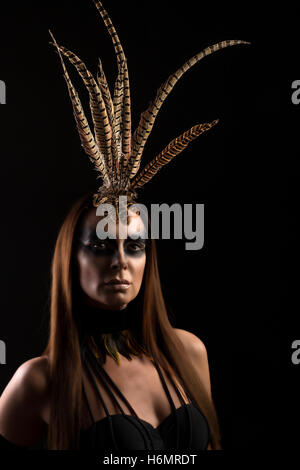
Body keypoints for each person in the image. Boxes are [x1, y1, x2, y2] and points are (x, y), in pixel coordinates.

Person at [0, 0, 249, 451]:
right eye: (100, 246)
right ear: (70, 259)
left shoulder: (189, 353)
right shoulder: (36, 383)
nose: (119, 262)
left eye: (134, 246)